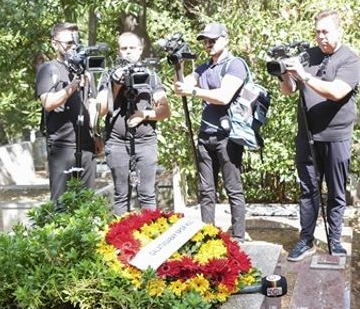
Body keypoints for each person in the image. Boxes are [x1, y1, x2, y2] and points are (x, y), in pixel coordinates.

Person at [280, 9, 360, 261]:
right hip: (307, 135)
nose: (320, 37)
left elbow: (337, 92)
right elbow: (289, 90)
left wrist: (304, 75)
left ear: (339, 31)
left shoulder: (350, 59)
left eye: (325, 31)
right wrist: (284, 71)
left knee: (336, 191)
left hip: (337, 136)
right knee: (308, 190)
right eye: (317, 32)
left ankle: (335, 239)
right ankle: (306, 239)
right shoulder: (308, 56)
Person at [174, 22, 248, 239]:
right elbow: (180, 88)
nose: (208, 44)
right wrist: (177, 64)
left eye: (213, 40)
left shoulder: (235, 65)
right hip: (205, 135)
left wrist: (194, 91)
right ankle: (207, 234)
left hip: (228, 136)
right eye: (205, 41)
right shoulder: (204, 67)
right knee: (206, 190)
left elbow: (224, 96)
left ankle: (239, 236)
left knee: (233, 188)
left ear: (225, 39)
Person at [96, 31, 170, 214]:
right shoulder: (108, 75)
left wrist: (144, 114)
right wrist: (116, 85)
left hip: (145, 143)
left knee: (147, 193)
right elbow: (101, 110)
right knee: (121, 194)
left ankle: (150, 235)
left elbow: (165, 111)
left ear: (140, 50)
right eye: (124, 48)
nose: (128, 52)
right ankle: (122, 240)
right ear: (118, 51)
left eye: (132, 48)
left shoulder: (150, 75)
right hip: (117, 142)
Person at [36, 22, 98, 199]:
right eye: (69, 43)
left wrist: (97, 133)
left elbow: (91, 103)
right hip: (62, 146)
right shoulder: (48, 69)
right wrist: (72, 87)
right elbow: (48, 103)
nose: (74, 47)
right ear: (54, 43)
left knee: (87, 204)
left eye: (76, 43)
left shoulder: (86, 70)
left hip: (86, 145)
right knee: (61, 203)